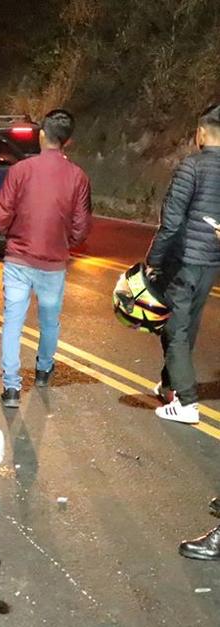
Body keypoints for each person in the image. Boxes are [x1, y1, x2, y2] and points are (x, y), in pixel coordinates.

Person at [0, 109, 92, 408]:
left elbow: (2, 214)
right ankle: (44, 370)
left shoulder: (21, 170)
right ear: (68, 141)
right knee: (49, 321)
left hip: (19, 260)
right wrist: (64, 244)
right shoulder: (78, 177)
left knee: (13, 322)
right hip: (53, 263)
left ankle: (11, 388)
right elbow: (81, 226)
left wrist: (5, 232)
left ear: (41, 135)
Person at [147, 103, 220, 424]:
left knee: (175, 328)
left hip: (184, 261)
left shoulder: (190, 168)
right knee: (188, 322)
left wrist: (154, 261)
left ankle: (187, 403)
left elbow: (171, 224)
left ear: (201, 133)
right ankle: (169, 385)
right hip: (210, 263)